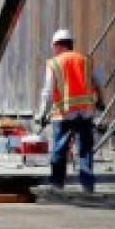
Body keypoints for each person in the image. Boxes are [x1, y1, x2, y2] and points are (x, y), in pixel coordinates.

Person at [38, 28, 104, 192]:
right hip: (86, 112)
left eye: (54, 47)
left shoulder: (54, 63)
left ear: (57, 46)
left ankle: (57, 183)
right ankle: (87, 184)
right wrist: (101, 102)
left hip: (63, 114)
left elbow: (47, 91)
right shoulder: (86, 60)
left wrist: (41, 113)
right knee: (85, 149)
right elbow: (98, 82)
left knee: (60, 148)